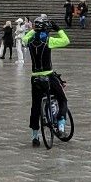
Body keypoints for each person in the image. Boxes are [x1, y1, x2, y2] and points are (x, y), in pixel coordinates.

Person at [22, 15, 70, 146]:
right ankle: (60, 127)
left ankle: (35, 136)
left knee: (35, 106)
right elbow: (66, 41)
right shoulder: (49, 40)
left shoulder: (29, 40)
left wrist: (34, 29)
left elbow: (23, 39)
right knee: (62, 99)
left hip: (35, 77)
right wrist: (58, 29)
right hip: (49, 76)